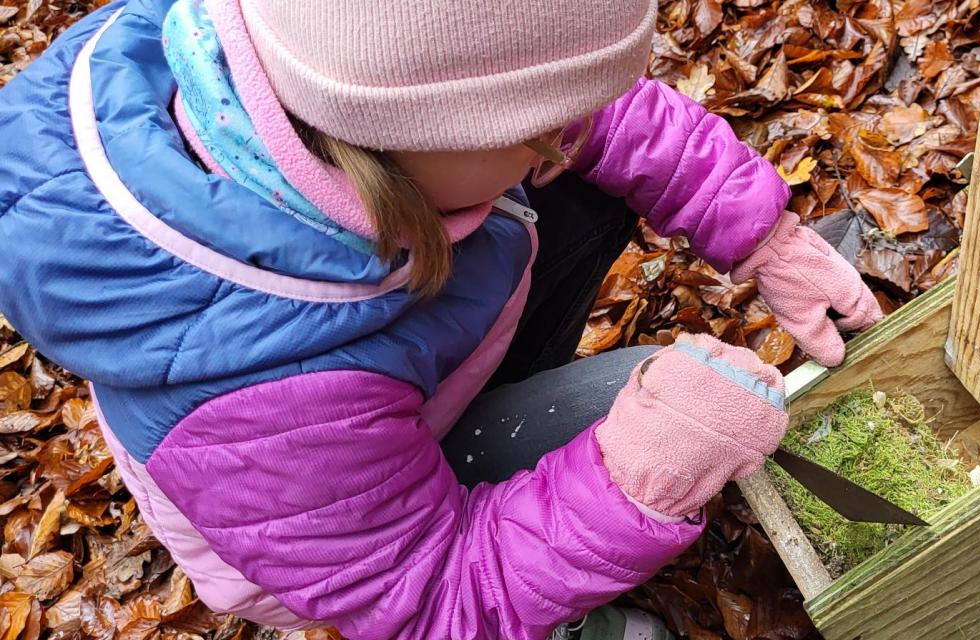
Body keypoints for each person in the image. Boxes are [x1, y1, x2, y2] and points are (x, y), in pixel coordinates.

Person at [0, 0, 883, 638]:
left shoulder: (312, 74)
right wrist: (636, 478)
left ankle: (519, 426)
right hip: (352, 531)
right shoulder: (267, 406)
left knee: (578, 181)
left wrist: (763, 235)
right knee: (634, 405)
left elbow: (587, 109)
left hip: (386, 369)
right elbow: (434, 599)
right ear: (415, 133)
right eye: (537, 125)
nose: (564, 130)